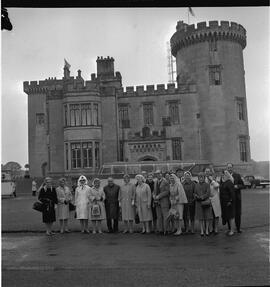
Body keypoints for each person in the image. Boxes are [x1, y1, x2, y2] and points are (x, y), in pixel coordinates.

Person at [227, 163, 244, 233]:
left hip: (237, 198)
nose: (229, 169)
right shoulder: (225, 176)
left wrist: (237, 186)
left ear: (232, 168)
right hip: (228, 198)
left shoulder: (237, 175)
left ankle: (238, 228)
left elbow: (242, 185)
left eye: (230, 167)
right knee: (229, 214)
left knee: (237, 213)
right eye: (228, 167)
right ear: (227, 168)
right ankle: (230, 229)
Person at [153, 170, 170, 235]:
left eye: (159, 174)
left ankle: (166, 230)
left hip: (164, 201)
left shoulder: (165, 181)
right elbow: (154, 191)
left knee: (165, 216)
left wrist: (159, 196)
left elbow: (167, 191)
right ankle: (161, 230)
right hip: (157, 202)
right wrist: (154, 195)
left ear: (161, 174)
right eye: (156, 174)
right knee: (159, 216)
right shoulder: (155, 182)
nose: (158, 175)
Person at [220, 170, 236, 236]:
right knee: (228, 216)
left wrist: (230, 201)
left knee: (231, 216)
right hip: (224, 202)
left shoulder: (229, 182)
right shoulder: (223, 182)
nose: (223, 176)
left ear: (228, 175)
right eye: (223, 175)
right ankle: (230, 229)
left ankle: (232, 230)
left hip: (229, 202)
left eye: (224, 175)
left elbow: (232, 193)